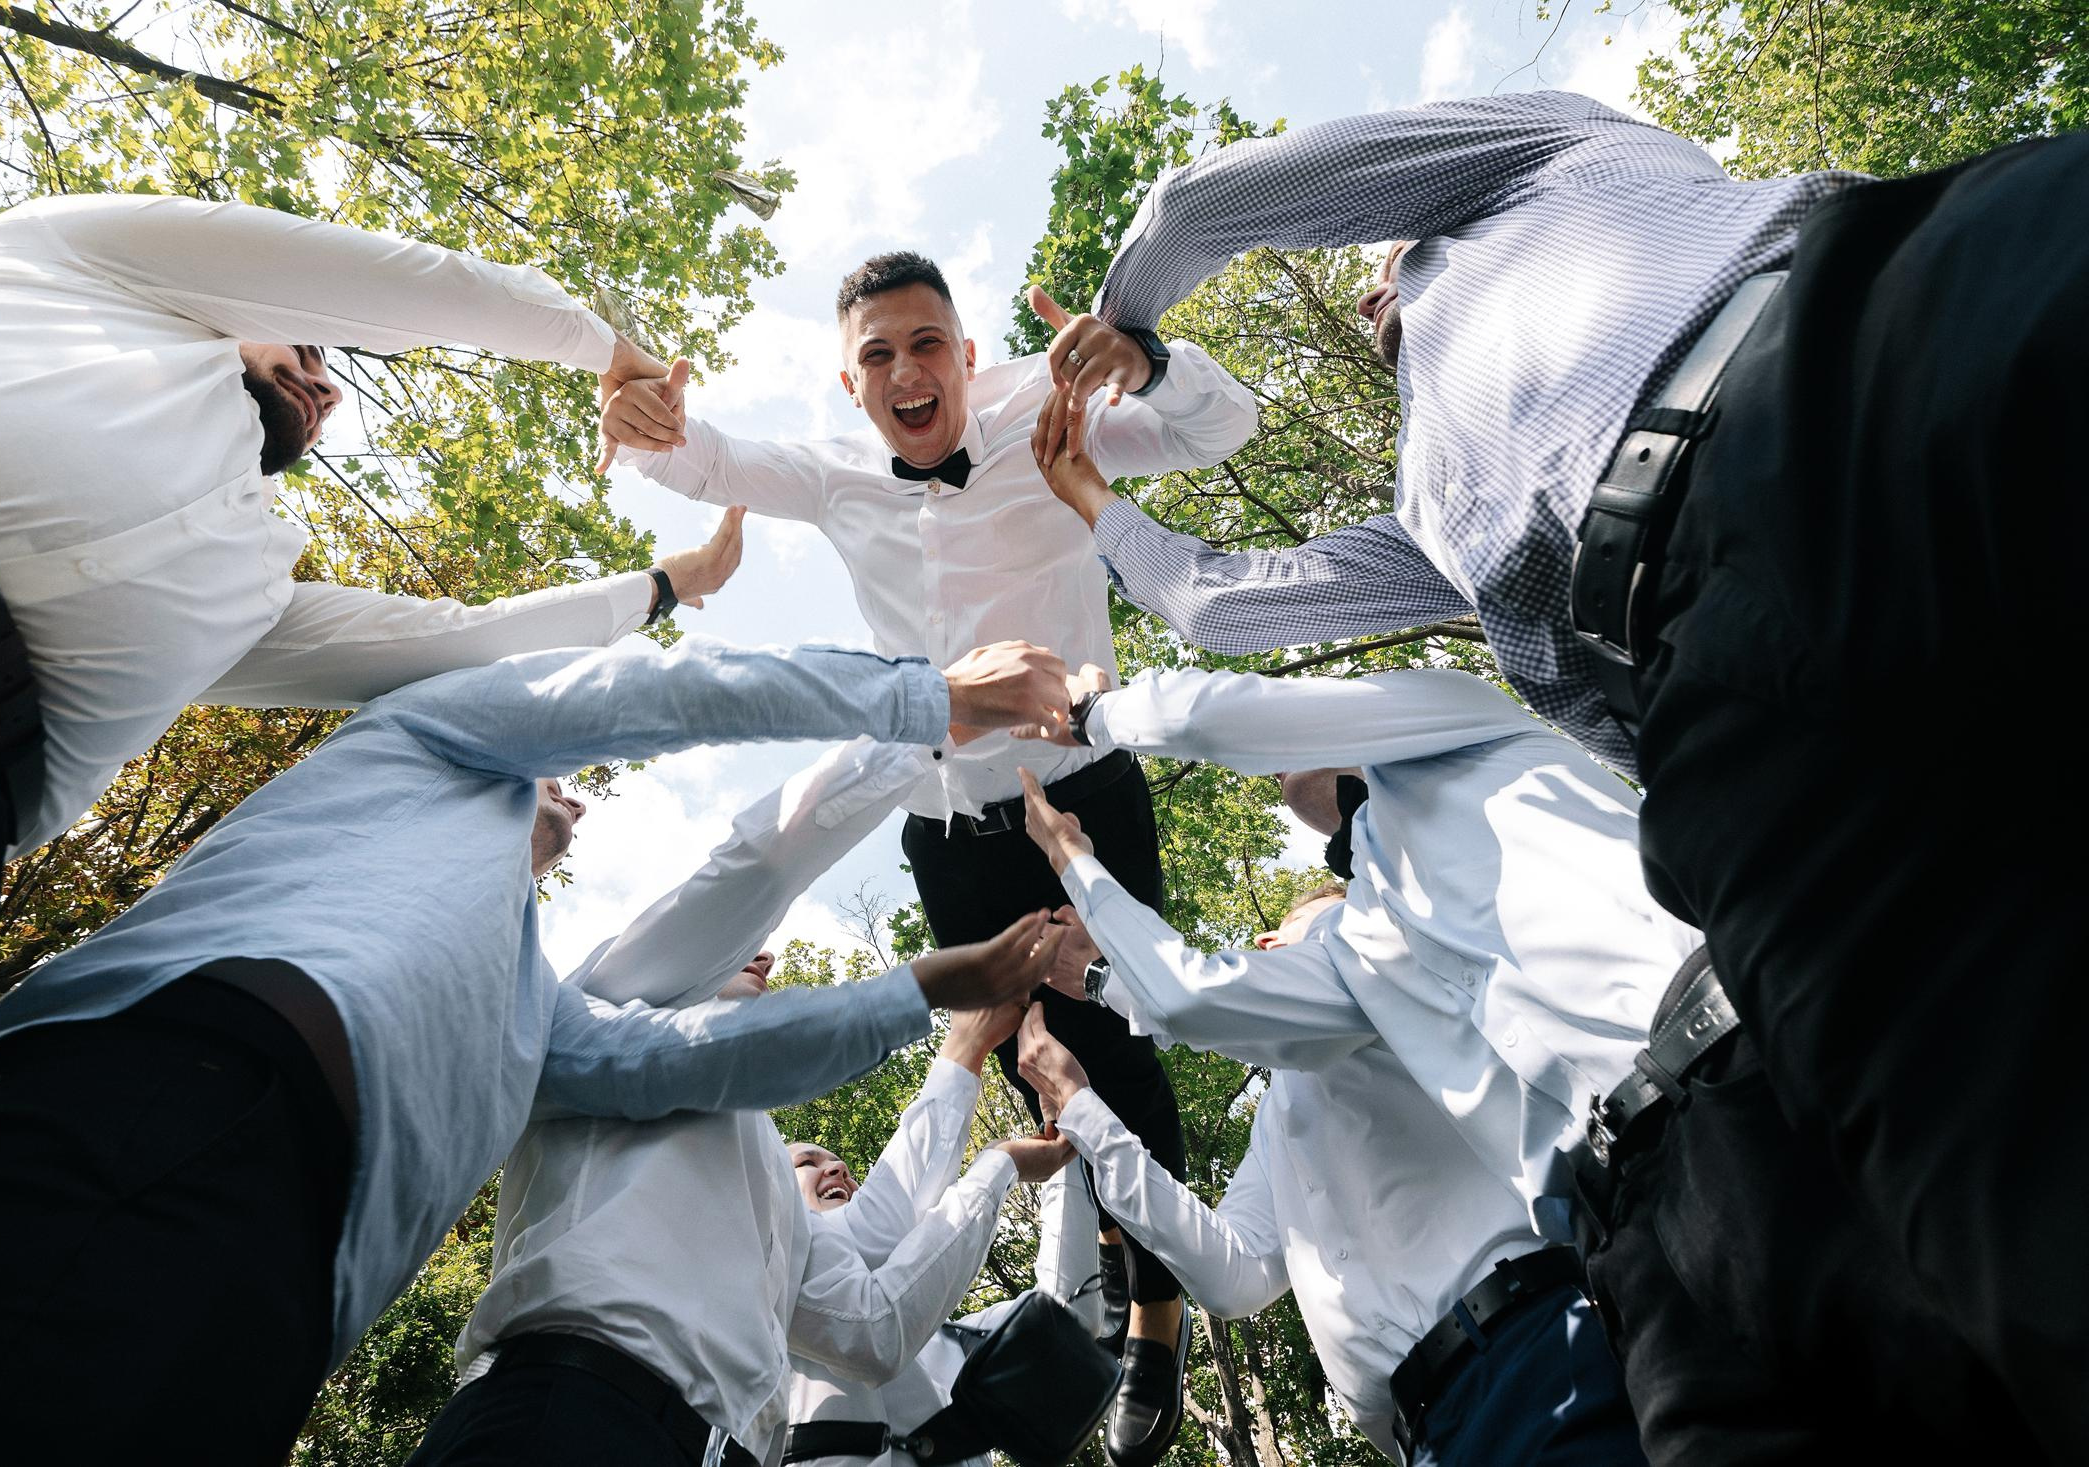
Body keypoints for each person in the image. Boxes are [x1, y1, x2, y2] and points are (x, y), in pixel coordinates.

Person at [1036, 89, 2089, 1457]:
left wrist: (1132, 327)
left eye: (1380, 271)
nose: (1370, 296)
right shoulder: (1437, 515)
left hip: (1867, 343)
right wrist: (1093, 509)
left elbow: (1205, 202)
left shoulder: (1550, 166)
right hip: (1738, 711)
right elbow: (1227, 608)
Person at [0, 632, 1072, 1465]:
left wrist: (944, 1023)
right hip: (168, 1103)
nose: (578, 797)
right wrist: (917, 712)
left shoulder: (544, 1026)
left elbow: (851, 1299)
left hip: (303, 1295)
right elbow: (751, 861)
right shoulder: (551, 906)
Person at [603, 248, 1258, 1464]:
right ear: (850, 383)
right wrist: (641, 415)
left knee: (1119, 1042)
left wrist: (1147, 358)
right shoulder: (835, 472)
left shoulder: (1050, 410)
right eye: (879, 355)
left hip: (1078, 788)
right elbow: (699, 458)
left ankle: (1157, 1313)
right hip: (942, 823)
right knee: (1025, 1057)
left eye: (926, 345)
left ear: (965, 352)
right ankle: (1112, 1237)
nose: (907, 373)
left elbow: (1222, 426)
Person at [0, 190, 727, 1047]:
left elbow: (457, 645)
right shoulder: (65, 255)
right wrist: (617, 358)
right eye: (310, 348)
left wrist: (666, 585)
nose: (327, 388)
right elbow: (416, 287)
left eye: (327, 382)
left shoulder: (252, 586)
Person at [1010, 658, 1677, 1464]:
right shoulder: (1298, 1083)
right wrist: (1085, 1107)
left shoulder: (1371, 930)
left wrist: (1081, 844)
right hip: (1430, 1433)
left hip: (1538, 1348)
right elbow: (1233, 1274)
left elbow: (1198, 994)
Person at [415, 736, 1070, 1467]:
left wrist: (980, 1099)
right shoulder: (609, 999)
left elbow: (873, 1323)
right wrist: (926, 732)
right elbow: (755, 870)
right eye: (742, 944)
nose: (765, 952)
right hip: (566, 1412)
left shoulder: (768, 1185)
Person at [784, 1046, 1104, 1467]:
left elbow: (1068, 1316)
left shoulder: (952, 1338)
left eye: (842, 1165)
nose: (838, 1168)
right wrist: (1000, 1165)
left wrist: (1065, 1153)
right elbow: (864, 1251)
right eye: (807, 1162)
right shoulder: (773, 1281)